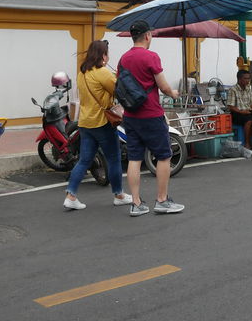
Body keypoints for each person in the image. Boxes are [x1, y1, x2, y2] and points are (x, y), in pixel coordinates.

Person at [117, 20, 183, 216]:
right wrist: (173, 93)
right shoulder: (151, 56)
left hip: (130, 115)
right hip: (151, 114)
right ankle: (162, 200)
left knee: (135, 158)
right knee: (164, 155)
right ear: (147, 36)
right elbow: (163, 86)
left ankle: (136, 203)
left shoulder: (123, 59)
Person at [63, 40, 131, 211]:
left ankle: (71, 195)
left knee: (85, 160)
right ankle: (119, 195)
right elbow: (119, 90)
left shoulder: (82, 73)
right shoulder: (103, 73)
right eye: (107, 53)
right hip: (102, 123)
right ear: (103, 55)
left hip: (85, 122)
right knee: (114, 158)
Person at [227, 69, 252, 158]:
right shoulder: (233, 90)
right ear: (239, 79)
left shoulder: (248, 89)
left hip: (247, 112)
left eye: (249, 78)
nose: (248, 80)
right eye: (245, 78)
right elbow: (231, 107)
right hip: (236, 114)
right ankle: (247, 143)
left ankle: (248, 137)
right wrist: (242, 112)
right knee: (248, 119)